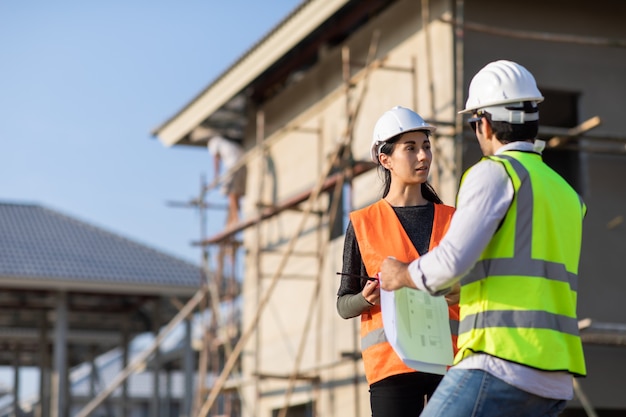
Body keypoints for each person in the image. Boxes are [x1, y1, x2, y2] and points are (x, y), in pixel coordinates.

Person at [380, 60, 587, 417]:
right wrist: (466, 288)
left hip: (501, 359)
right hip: (554, 376)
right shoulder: (567, 193)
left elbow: (449, 263)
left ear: (485, 124)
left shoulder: (493, 173)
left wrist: (400, 275)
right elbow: (523, 269)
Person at [336, 106, 460, 417]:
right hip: (392, 369)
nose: (423, 157)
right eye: (411, 148)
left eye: (426, 146)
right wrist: (365, 299)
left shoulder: (453, 220)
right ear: (385, 158)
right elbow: (343, 304)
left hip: (449, 364)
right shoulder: (364, 224)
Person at [191, 125, 247, 228]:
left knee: (231, 192)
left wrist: (216, 177)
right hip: (243, 163)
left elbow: (216, 160)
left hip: (233, 166)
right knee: (237, 193)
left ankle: (235, 219)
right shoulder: (226, 141)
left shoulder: (214, 142)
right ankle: (232, 220)